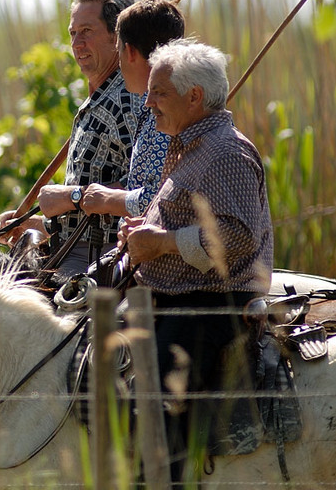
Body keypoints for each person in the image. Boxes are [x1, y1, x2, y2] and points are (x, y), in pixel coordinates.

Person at [117, 38, 273, 481]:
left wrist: (163, 243)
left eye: (158, 93)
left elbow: (239, 237)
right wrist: (141, 236)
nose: (147, 103)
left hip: (213, 301)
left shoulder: (226, 151)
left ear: (194, 97)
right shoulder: (188, 144)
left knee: (162, 387)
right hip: (173, 295)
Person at [0, 0, 138, 279]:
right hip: (71, 249)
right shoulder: (95, 101)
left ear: (117, 37)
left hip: (106, 257)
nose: (77, 43)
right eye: (73, 33)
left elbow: (149, 189)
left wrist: (71, 195)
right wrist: (29, 224)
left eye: (87, 31)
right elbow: (80, 216)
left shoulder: (128, 101)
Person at [78, 0, 184, 220]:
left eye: (119, 51)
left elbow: (158, 197)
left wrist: (103, 198)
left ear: (130, 52)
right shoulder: (163, 106)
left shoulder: (165, 116)